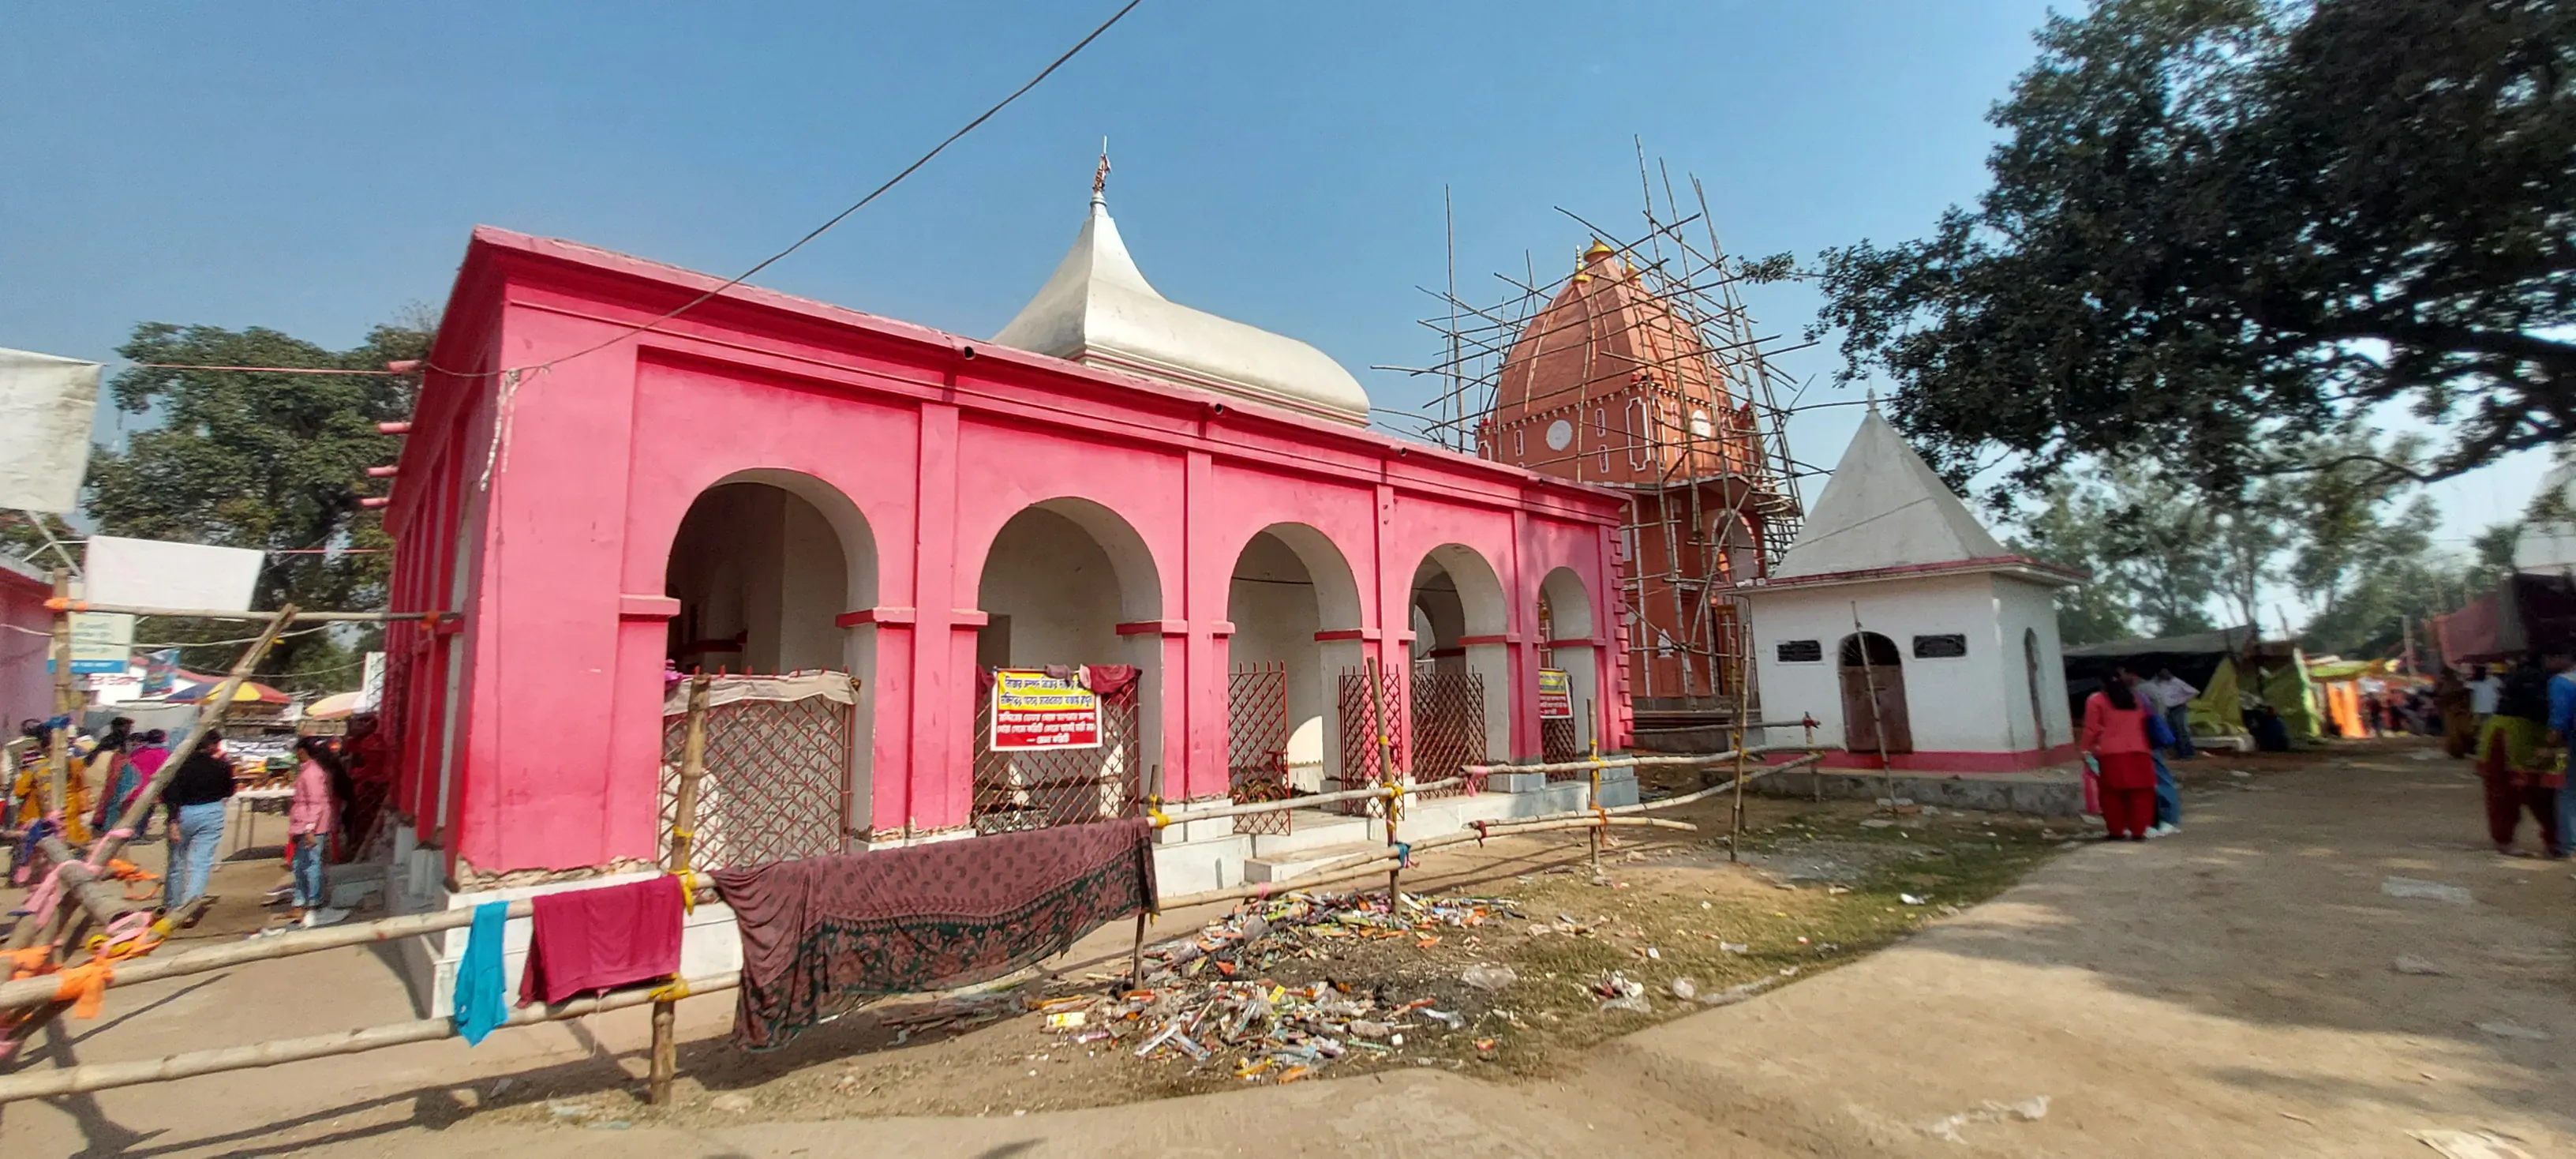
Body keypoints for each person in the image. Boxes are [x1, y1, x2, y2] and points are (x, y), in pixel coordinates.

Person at [2475, 666, 2561, 858]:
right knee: (2519, 792)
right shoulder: (2551, 680)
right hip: (2522, 736)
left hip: (2533, 735)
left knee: (2543, 793)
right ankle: (2550, 840)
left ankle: (2552, 840)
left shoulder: (2550, 679)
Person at [163, 729, 239, 917]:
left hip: (182, 812)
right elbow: (229, 791)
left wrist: (172, 819)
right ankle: (189, 907)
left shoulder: (177, 766)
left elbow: (170, 795)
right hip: (212, 810)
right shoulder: (222, 766)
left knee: (177, 861)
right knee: (201, 862)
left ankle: (172, 905)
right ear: (210, 745)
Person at [2083, 667, 2160, 841]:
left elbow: (2091, 728)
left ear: (2101, 682)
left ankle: (2116, 831)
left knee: (2111, 795)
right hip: (2140, 752)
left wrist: (2084, 749)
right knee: (2141, 794)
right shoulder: (2137, 699)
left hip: (2111, 754)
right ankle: (2139, 832)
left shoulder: (2096, 700)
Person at [286, 737, 343, 925]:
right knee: (300, 864)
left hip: (311, 825)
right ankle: (300, 902)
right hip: (303, 822)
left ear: (302, 751)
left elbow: (316, 803)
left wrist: (309, 828)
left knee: (310, 864)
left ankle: (314, 903)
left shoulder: (312, 773)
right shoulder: (308, 771)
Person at [122, 730, 170, 838]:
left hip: (134, 787)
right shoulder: (162, 754)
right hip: (149, 788)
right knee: (145, 812)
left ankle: (134, 833)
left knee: (134, 813)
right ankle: (137, 834)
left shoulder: (138, 752)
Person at [2147, 668, 2199, 758]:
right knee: (2173, 730)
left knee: (2182, 730)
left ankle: (2188, 753)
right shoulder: (2158, 683)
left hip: (2178, 708)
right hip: (2167, 709)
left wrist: (2181, 700)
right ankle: (2179, 753)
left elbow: (2194, 692)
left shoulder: (2177, 682)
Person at [2436, 667, 2475, 756]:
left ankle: (2463, 750)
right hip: (2451, 711)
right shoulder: (2442, 685)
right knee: (2454, 733)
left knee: (2464, 731)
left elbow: (2467, 697)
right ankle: (2457, 751)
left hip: (2459, 711)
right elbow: (2441, 700)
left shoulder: (2458, 685)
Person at [2468, 664, 2504, 735]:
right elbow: (2502, 688)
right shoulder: (2494, 681)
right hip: (2491, 709)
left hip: (2476, 709)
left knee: (2478, 729)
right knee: (2489, 729)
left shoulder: (2471, 684)